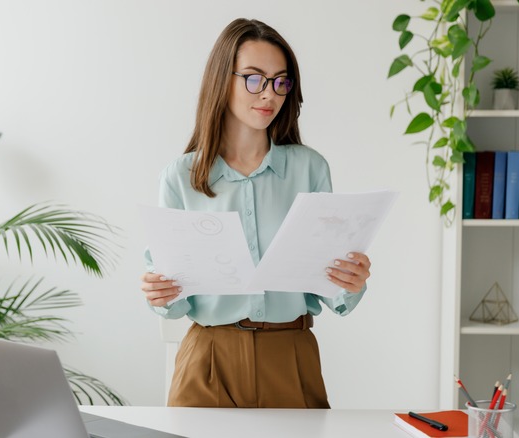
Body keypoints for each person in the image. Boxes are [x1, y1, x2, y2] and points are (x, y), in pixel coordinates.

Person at [140, 18, 371, 409]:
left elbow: (332, 290)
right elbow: (173, 301)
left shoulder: (310, 169)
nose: (269, 94)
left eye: (281, 81)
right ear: (221, 80)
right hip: (208, 358)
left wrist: (351, 280)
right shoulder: (179, 177)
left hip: (291, 354)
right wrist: (158, 292)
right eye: (254, 78)